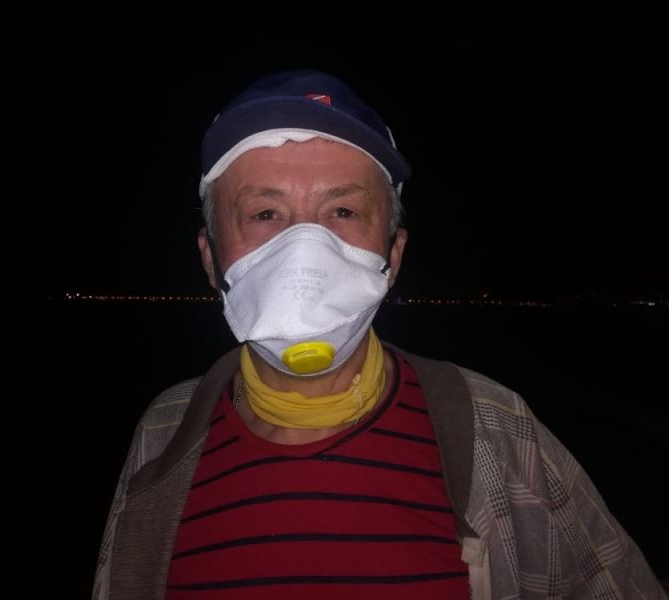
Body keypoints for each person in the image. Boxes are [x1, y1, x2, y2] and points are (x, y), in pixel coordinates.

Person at [93, 70, 666, 599]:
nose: (305, 248)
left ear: (394, 255)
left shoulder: (498, 430)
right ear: (210, 257)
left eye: (342, 211)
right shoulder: (162, 434)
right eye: (265, 214)